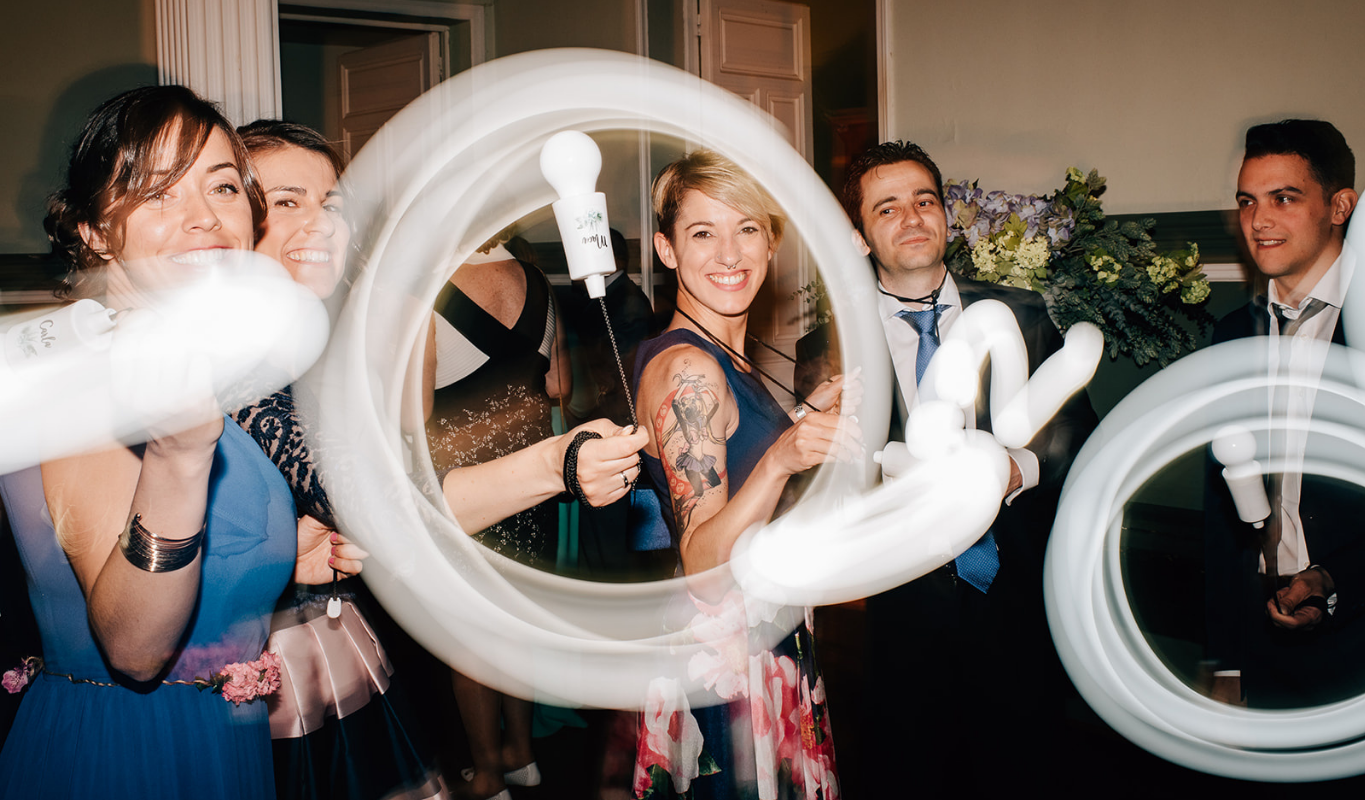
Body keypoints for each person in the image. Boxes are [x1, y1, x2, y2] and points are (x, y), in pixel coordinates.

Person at [0, 85, 347, 799]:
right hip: (123, 755)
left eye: (222, 187)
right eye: (159, 193)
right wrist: (179, 457)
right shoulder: (85, 378)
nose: (205, 218)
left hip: (220, 741)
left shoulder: (198, 365)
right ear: (95, 232)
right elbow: (134, 648)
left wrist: (277, 558)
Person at [796, 140, 1097, 795]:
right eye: (887, 207)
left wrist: (1017, 469)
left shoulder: (1018, 313)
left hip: (1017, 597)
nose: (911, 217)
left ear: (945, 216)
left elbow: (1077, 431)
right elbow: (824, 486)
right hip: (902, 613)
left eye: (924, 200)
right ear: (858, 236)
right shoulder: (828, 347)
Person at [234, 119, 448, 800]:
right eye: (288, 201)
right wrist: (556, 465)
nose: (322, 222)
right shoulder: (232, 357)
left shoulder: (307, 339)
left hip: (330, 633)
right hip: (253, 679)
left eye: (331, 204)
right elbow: (358, 495)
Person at [632, 149, 854, 800]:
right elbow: (704, 563)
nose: (729, 253)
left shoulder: (719, 354)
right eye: (703, 232)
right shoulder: (690, 372)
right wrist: (784, 458)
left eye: (747, 228)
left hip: (762, 640)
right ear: (667, 249)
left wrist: (799, 421)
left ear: (771, 241)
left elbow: (730, 453)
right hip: (728, 666)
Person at [1204, 119, 1364, 709]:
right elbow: (1218, 512)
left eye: (1284, 198)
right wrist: (1223, 661)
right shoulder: (1231, 336)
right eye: (1247, 201)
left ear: (1340, 207)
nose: (1259, 221)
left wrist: (1334, 581)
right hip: (1260, 640)